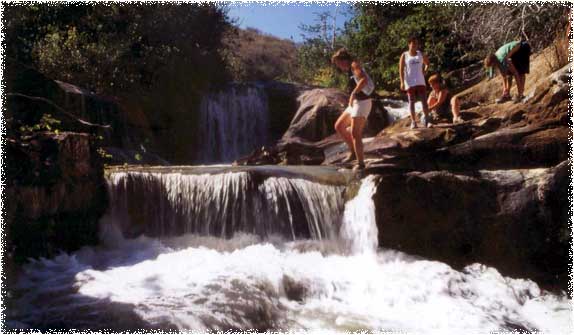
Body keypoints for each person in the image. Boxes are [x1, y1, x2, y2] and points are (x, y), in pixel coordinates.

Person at [332, 48, 375, 171]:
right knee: (339, 126)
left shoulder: (354, 65)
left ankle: (361, 163)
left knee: (355, 133)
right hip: (356, 103)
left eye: (338, 63)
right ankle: (352, 152)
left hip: (363, 102)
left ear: (343, 60)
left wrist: (353, 94)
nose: (339, 66)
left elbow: (363, 80)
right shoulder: (349, 70)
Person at [399, 36, 431, 129]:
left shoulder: (420, 54)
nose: (415, 46)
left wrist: (425, 71)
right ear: (409, 44)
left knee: (424, 102)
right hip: (409, 82)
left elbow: (427, 63)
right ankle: (413, 122)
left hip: (420, 81)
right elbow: (400, 69)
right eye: (413, 44)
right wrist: (402, 82)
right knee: (411, 102)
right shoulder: (404, 55)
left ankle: (427, 121)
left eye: (416, 44)